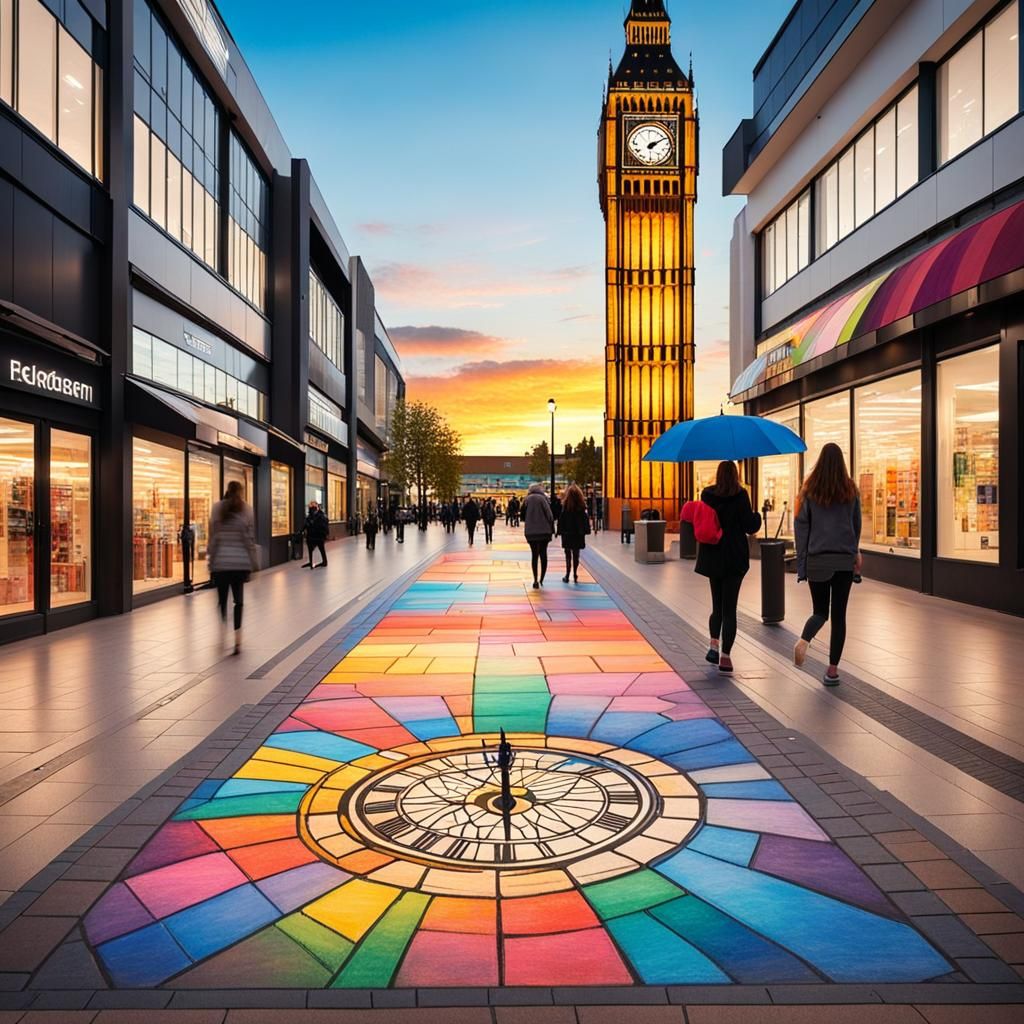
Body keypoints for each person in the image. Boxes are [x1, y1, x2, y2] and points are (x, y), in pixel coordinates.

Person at [794, 442, 862, 686]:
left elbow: (802, 529)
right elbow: (856, 526)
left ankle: (804, 639)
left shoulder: (810, 490)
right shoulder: (851, 490)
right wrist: (855, 553)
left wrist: (801, 566)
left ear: (820, 461)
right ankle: (832, 671)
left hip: (817, 561)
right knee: (839, 616)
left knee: (820, 612)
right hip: (843, 560)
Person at [694, 461, 762, 674]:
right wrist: (757, 515)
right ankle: (725, 657)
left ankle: (713, 645)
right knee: (729, 609)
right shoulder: (741, 495)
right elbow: (750, 526)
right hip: (734, 557)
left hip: (713, 555)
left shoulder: (707, 495)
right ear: (735, 475)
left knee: (717, 605)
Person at [208, 480, 258, 655]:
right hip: (240, 564)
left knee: (222, 601)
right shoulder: (247, 510)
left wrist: (211, 561)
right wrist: (254, 563)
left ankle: (222, 634)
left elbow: (213, 539)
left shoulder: (216, 509)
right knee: (239, 602)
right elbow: (249, 540)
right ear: (241, 492)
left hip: (221, 564)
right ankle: (237, 640)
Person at [523, 482, 555, 589]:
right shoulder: (543, 499)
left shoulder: (526, 500)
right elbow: (550, 515)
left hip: (531, 532)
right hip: (544, 532)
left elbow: (522, 516)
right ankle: (542, 578)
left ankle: (535, 579)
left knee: (534, 555)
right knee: (543, 554)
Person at [559, 483, 590, 583]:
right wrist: (586, 530)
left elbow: (561, 519)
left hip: (567, 533)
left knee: (567, 554)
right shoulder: (581, 506)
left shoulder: (565, 506)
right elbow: (585, 519)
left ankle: (567, 574)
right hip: (578, 533)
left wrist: (559, 531)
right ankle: (575, 573)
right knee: (576, 554)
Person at [301, 501, 329, 569]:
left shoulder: (321, 515)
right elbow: (306, 524)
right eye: (310, 508)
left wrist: (312, 524)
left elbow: (323, 525)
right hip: (311, 535)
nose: (311, 509)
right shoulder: (311, 515)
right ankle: (311, 562)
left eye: (312, 507)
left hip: (319, 536)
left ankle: (324, 562)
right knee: (312, 548)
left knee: (321, 548)